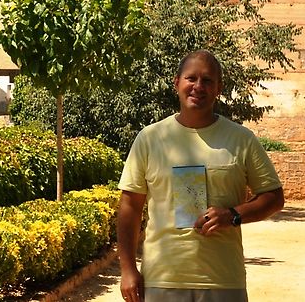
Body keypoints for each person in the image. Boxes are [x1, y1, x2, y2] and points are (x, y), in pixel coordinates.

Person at [117, 50, 285, 302]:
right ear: (177, 83)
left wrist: (232, 215)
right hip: (162, 280)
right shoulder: (150, 139)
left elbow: (274, 197)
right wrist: (128, 269)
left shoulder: (241, 139)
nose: (198, 86)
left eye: (207, 80)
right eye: (191, 78)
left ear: (219, 88)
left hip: (223, 280)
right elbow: (130, 206)